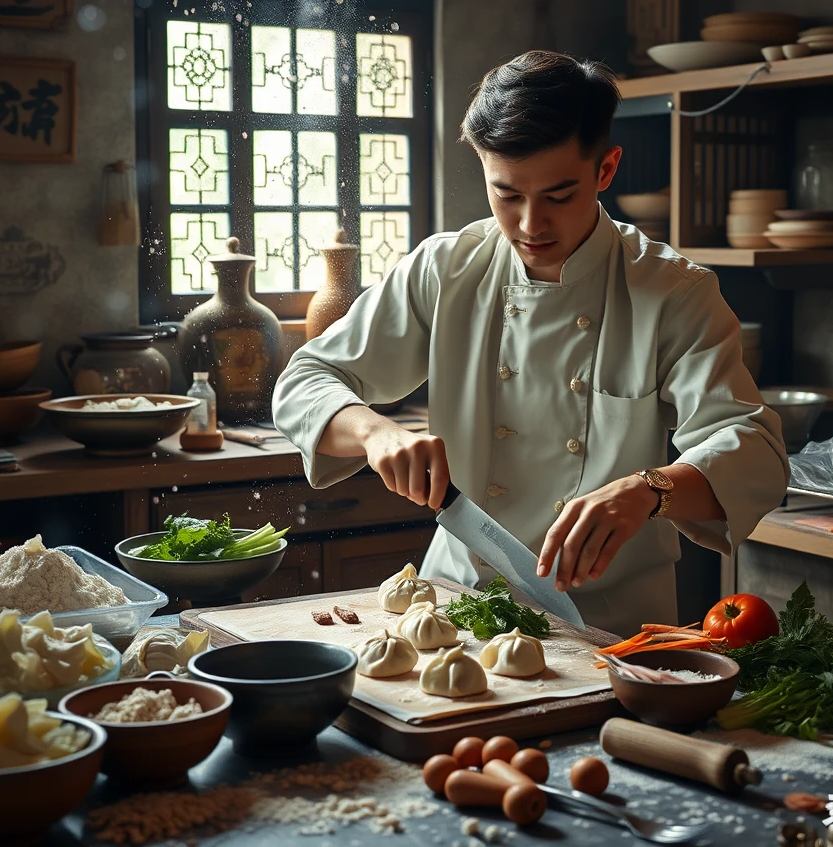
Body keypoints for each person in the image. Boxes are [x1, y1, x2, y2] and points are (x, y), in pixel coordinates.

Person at [273, 51, 788, 634]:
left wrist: (650, 488)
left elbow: (756, 450)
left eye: (559, 195)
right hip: (452, 604)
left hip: (612, 619)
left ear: (607, 169)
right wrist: (375, 432)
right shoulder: (446, 269)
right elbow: (305, 378)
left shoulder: (671, 291)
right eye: (507, 194)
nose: (530, 225)